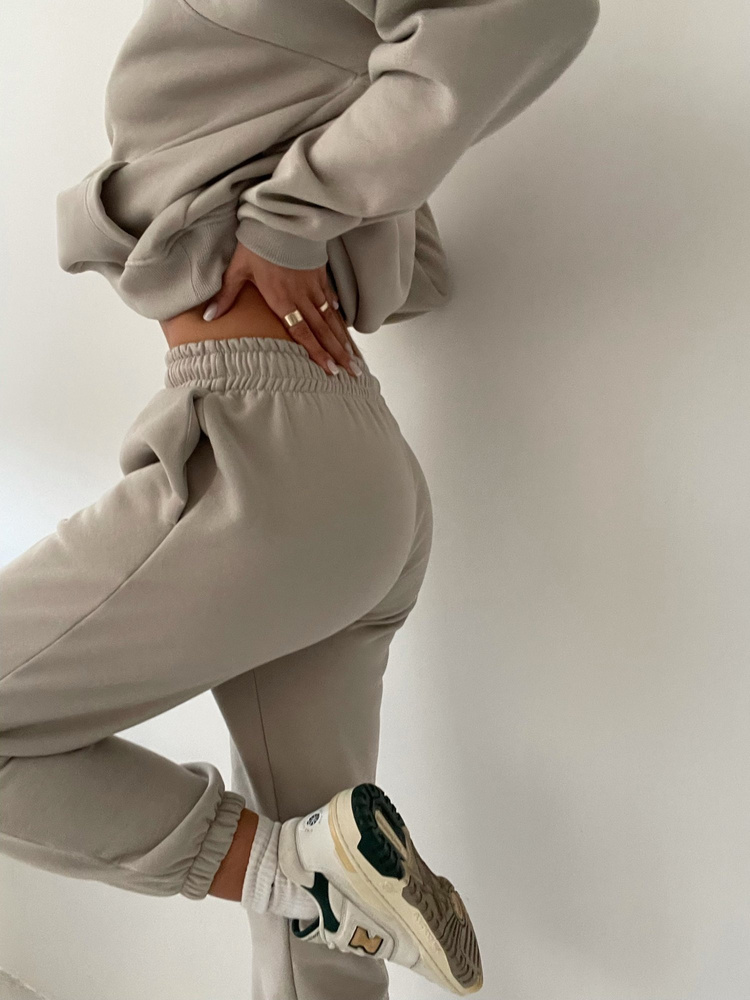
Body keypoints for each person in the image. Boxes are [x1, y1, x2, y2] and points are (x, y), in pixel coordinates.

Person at [0, 0, 600, 996]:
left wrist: (292, 219)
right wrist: (317, 213)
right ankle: (313, 875)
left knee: (305, 885)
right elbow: (419, 274)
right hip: (341, 471)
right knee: (319, 951)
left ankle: (292, 871)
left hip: (267, 460)